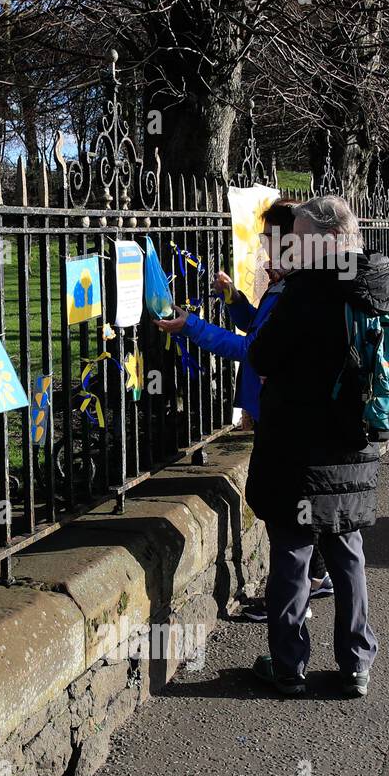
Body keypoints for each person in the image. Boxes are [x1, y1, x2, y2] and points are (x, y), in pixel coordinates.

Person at [244, 195, 389, 698]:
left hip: (300, 447)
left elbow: (261, 353)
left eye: (301, 238)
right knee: (348, 550)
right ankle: (356, 663)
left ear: (328, 240)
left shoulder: (304, 293)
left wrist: (279, 289)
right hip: (355, 442)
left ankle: (289, 666)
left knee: (292, 549)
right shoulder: (378, 284)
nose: (293, 246)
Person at [154, 200, 334, 606]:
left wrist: (192, 327)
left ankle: (294, 600)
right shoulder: (288, 281)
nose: (265, 245)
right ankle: (315, 581)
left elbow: (252, 349)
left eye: (271, 237)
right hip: (280, 405)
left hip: (280, 409)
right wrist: (235, 299)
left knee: (283, 508)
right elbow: (258, 327)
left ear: (294, 238)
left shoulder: (293, 287)